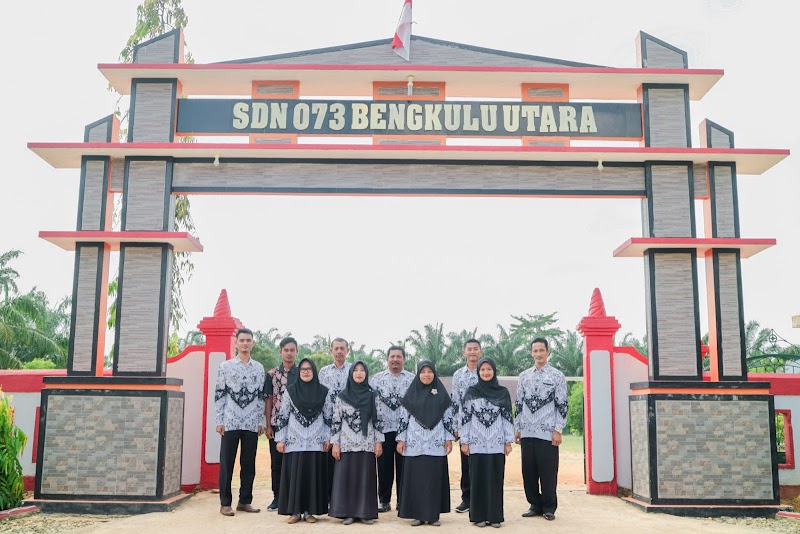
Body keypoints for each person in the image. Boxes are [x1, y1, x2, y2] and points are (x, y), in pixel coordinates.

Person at [214, 328, 266, 517]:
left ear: (253, 343)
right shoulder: (225, 367)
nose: (245, 343)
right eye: (242, 340)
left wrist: (261, 421)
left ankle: (245, 501)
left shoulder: (259, 368)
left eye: (248, 340)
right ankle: (225, 503)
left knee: (248, 464)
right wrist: (219, 420)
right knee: (227, 463)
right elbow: (219, 394)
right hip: (230, 421)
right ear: (236, 343)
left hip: (251, 423)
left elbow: (261, 397)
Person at [514, 337, 568, 521]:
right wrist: (517, 428)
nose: (538, 354)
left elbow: (562, 404)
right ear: (531, 353)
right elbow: (519, 403)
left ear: (548, 352)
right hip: (527, 432)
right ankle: (534, 505)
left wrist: (558, 430)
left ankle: (548, 507)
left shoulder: (557, 376)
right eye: (535, 351)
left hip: (547, 433)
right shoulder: (524, 376)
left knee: (548, 471)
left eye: (541, 350)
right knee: (528, 471)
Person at [396, 360, 455, 527]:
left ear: (434, 373)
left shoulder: (441, 393)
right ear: (418, 374)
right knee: (416, 479)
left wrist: (448, 438)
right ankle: (418, 515)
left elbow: (448, 417)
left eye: (430, 371)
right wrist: (401, 439)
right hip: (414, 442)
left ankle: (433, 515)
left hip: (436, 442)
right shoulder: (411, 393)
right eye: (423, 371)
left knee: (433, 478)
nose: (427, 375)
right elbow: (403, 418)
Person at [275, 358, 333, 524]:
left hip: (316, 439)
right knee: (295, 475)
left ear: (314, 372)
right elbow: (283, 415)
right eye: (303, 369)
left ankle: (309, 512)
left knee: (312, 475)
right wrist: (280, 439)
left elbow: (328, 416)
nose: (306, 371)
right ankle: (294, 511)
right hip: (295, 439)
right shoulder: (291, 391)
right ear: (299, 372)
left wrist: (327, 437)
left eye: (309, 369)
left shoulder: (323, 391)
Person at [459, 357, 514, 528]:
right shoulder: (471, 392)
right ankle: (478, 516)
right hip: (476, 442)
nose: (486, 372)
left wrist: (508, 441)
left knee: (496, 479)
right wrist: (465, 441)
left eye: (489, 369)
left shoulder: (502, 392)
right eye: (482, 369)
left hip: (497, 443)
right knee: (477, 479)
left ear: (494, 371)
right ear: (478, 372)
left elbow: (507, 418)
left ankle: (495, 516)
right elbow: (465, 418)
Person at [329, 361, 384, 525]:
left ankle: (365, 513)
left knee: (365, 477)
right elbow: (336, 421)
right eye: (356, 370)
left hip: (366, 442)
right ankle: (348, 513)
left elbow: (378, 420)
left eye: (362, 370)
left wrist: (379, 442)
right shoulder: (342, 396)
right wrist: (335, 444)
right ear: (351, 374)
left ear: (366, 374)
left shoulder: (373, 395)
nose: (359, 373)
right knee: (347, 477)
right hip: (346, 442)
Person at [369, 345, 414, 513]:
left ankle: (403, 501)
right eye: (392, 356)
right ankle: (384, 500)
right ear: (387, 359)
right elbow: (371, 405)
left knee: (405, 467)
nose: (395, 359)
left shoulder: (412, 379)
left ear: (404, 359)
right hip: (384, 430)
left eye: (399, 356)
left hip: (406, 431)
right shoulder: (377, 379)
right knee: (384, 467)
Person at [265, 336, 300, 511]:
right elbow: (269, 400)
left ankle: (294, 496)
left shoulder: (302, 373)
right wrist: (269, 425)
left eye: (292, 350)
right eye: (286, 350)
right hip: (277, 423)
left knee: (295, 462)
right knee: (276, 462)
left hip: (298, 425)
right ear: (280, 352)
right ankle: (277, 497)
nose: (289, 353)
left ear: (297, 352)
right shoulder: (271, 374)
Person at [450, 338, 482, 513]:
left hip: (485, 426)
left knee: (482, 463)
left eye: (475, 349)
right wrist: (455, 427)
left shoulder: (486, 370)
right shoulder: (458, 375)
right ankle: (467, 499)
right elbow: (455, 402)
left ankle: (481, 499)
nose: (472, 352)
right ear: (464, 352)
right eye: (469, 349)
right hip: (465, 426)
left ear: (480, 351)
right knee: (466, 464)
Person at [318, 337, 352, 500]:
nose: (339, 351)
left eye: (342, 348)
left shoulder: (354, 370)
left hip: (349, 425)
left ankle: (345, 498)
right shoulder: (323, 372)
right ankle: (329, 498)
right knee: (328, 462)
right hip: (327, 422)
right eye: (336, 348)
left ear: (347, 351)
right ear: (331, 351)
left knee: (346, 462)